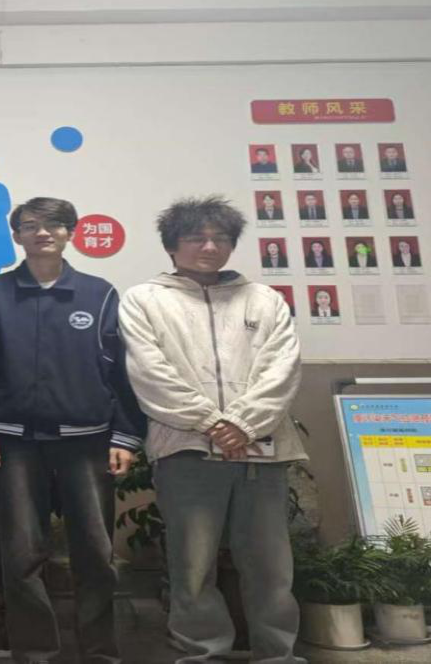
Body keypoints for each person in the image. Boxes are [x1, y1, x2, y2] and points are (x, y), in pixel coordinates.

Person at [119, 196, 306, 664]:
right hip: (186, 449)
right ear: (171, 246)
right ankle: (202, 653)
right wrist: (211, 422)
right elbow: (149, 373)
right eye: (195, 238)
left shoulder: (264, 299)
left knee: (271, 567)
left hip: (263, 450)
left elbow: (283, 367)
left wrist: (243, 423)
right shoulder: (144, 299)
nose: (209, 246)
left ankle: (277, 654)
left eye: (220, 238)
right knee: (192, 566)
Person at [0, 197, 144, 663]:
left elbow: (123, 371)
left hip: (88, 441)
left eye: (55, 224)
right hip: (15, 443)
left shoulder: (99, 293)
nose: (43, 232)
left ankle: (99, 652)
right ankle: (35, 653)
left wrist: (125, 436)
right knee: (21, 556)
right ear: (16, 235)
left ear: (70, 233)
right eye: (30, 225)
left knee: (96, 553)